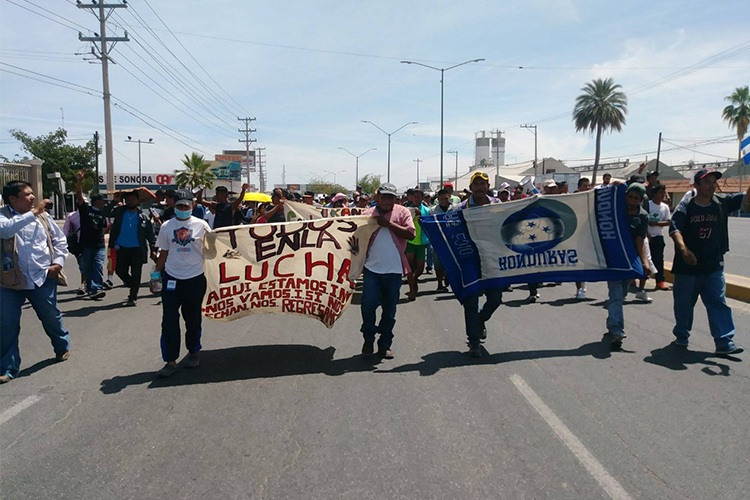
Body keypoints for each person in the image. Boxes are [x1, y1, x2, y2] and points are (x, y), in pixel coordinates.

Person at [669, 168, 749, 355]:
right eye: (707, 182)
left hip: (713, 265)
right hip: (688, 266)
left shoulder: (722, 203)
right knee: (684, 304)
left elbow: (746, 197)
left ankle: (724, 342)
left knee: (717, 301)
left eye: (714, 182)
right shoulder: (686, 206)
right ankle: (682, 334)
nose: (711, 185)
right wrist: (684, 250)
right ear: (696, 186)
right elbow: (675, 229)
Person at [1, 180, 71, 383]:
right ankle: (8, 367)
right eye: (27, 194)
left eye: (33, 194)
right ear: (13, 199)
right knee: (7, 325)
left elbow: (60, 240)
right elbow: (5, 231)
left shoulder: (43, 217)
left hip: (42, 278)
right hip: (9, 281)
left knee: (51, 317)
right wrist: (33, 213)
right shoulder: (3, 216)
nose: (33, 198)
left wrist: (58, 263)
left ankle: (62, 346)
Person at [154, 191, 212, 377]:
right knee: (169, 320)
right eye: (179, 206)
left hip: (195, 279)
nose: (183, 209)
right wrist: (156, 275)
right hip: (172, 278)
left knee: (192, 318)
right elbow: (163, 253)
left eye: (186, 206)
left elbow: (214, 248)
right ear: (174, 206)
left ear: (192, 206)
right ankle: (170, 361)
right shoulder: (166, 227)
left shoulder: (201, 225)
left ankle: (194, 351)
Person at [361, 183, 415, 359]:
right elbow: (356, 238)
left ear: (395, 199)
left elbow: (410, 234)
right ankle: (368, 337)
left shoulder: (402, 212)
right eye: (383, 197)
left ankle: (385, 344)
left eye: (390, 197)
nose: (386, 201)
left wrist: (388, 224)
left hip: (394, 271)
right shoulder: (367, 215)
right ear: (377, 198)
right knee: (368, 306)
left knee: (389, 310)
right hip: (371, 269)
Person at [456, 171, 502, 358]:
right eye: (476, 184)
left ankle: (480, 320)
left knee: (496, 299)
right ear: (471, 187)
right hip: (470, 260)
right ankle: (474, 341)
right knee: (471, 302)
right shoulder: (460, 207)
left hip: (492, 259)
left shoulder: (498, 205)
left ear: (488, 186)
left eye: (483, 184)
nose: (480, 187)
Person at [606, 183, 652, 350]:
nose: (632, 201)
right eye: (630, 196)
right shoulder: (615, 208)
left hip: (630, 259)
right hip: (613, 258)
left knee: (623, 293)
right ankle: (617, 331)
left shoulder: (643, 216)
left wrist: (644, 262)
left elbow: (640, 240)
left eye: (636, 198)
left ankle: (612, 321)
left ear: (641, 200)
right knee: (616, 294)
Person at [104, 190, 157, 306]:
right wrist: (114, 201)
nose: (130, 202)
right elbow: (105, 213)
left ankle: (133, 296)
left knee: (136, 272)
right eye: (128, 200)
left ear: (138, 201)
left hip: (137, 249)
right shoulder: (119, 212)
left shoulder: (143, 217)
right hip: (122, 248)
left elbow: (150, 235)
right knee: (120, 271)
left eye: (133, 199)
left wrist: (153, 250)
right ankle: (133, 284)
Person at [75, 171, 107, 300]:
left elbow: (103, 229)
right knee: (87, 267)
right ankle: (90, 287)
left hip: (99, 245)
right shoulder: (86, 210)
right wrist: (79, 181)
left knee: (98, 265)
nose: (104, 203)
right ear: (96, 201)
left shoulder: (101, 214)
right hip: (86, 245)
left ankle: (97, 288)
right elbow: (79, 196)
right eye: (102, 201)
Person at [404, 189, 430, 300]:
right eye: (415, 197)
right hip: (410, 242)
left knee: (420, 267)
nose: (417, 199)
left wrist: (420, 216)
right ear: (411, 198)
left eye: (419, 197)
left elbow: (428, 224)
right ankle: (412, 289)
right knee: (409, 267)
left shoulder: (427, 210)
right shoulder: (406, 210)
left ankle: (413, 280)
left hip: (421, 242)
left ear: (422, 198)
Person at [648, 184, 670, 291]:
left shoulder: (665, 207)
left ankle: (660, 281)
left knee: (658, 260)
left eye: (663, 192)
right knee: (644, 258)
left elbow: (668, 221)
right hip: (647, 236)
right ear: (655, 194)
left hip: (658, 237)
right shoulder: (647, 205)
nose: (663, 195)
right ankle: (635, 277)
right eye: (660, 192)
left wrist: (656, 223)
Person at [430, 188, 452, 292]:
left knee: (450, 262)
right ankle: (439, 284)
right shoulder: (433, 210)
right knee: (438, 264)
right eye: (441, 199)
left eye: (446, 199)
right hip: (438, 240)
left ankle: (448, 276)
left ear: (449, 197)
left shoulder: (455, 208)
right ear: (438, 199)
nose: (444, 201)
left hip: (452, 240)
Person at [574, 177, 592, 299]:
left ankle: (584, 284)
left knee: (587, 262)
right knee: (578, 263)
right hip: (576, 236)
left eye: (589, 185)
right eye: (585, 186)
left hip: (589, 235)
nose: (587, 188)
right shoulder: (573, 200)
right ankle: (580, 288)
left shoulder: (592, 199)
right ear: (579, 188)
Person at [62, 209, 86, 296]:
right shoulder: (72, 216)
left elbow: (66, 232)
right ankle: (85, 283)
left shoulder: (72, 215)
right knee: (83, 263)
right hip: (79, 243)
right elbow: (66, 231)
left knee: (86, 263)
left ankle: (86, 283)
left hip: (86, 243)